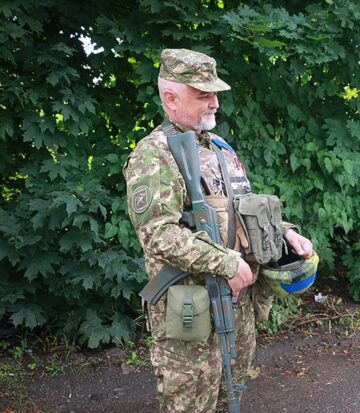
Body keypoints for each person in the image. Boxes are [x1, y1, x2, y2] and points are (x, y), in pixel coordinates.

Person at [123, 48, 313, 412]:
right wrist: (226, 262)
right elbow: (158, 234)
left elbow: (241, 215)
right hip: (190, 314)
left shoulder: (220, 150)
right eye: (203, 95)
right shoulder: (155, 155)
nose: (214, 104)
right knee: (190, 405)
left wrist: (286, 233)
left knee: (233, 397)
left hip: (237, 308)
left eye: (215, 94)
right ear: (170, 98)